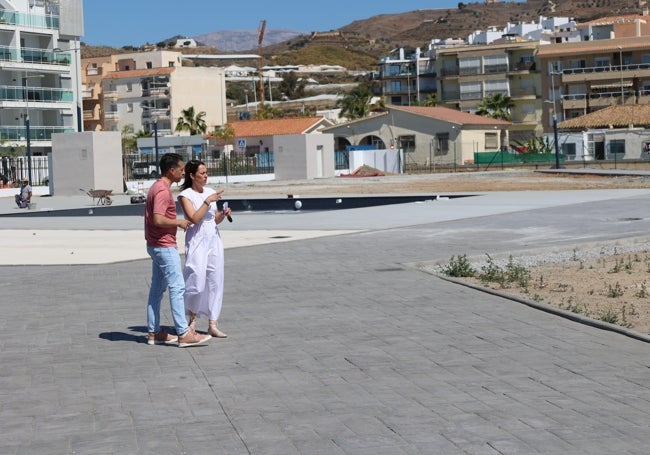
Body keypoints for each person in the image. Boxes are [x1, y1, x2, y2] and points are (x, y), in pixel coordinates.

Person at [145, 153, 212, 347]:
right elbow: (157, 219)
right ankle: (183, 333)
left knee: (157, 290)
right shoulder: (162, 191)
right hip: (163, 245)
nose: (183, 172)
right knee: (177, 287)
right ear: (171, 170)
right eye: (181, 169)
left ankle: (154, 331)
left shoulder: (157, 187)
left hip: (156, 244)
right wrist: (179, 222)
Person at [178, 160, 232, 338]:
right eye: (202, 173)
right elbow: (194, 218)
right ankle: (192, 320)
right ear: (192, 175)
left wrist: (222, 215)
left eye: (207, 172)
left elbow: (212, 219)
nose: (206, 176)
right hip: (197, 240)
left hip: (213, 239)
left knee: (215, 280)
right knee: (197, 279)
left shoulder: (210, 192)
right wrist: (207, 201)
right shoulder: (185, 195)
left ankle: (213, 323)